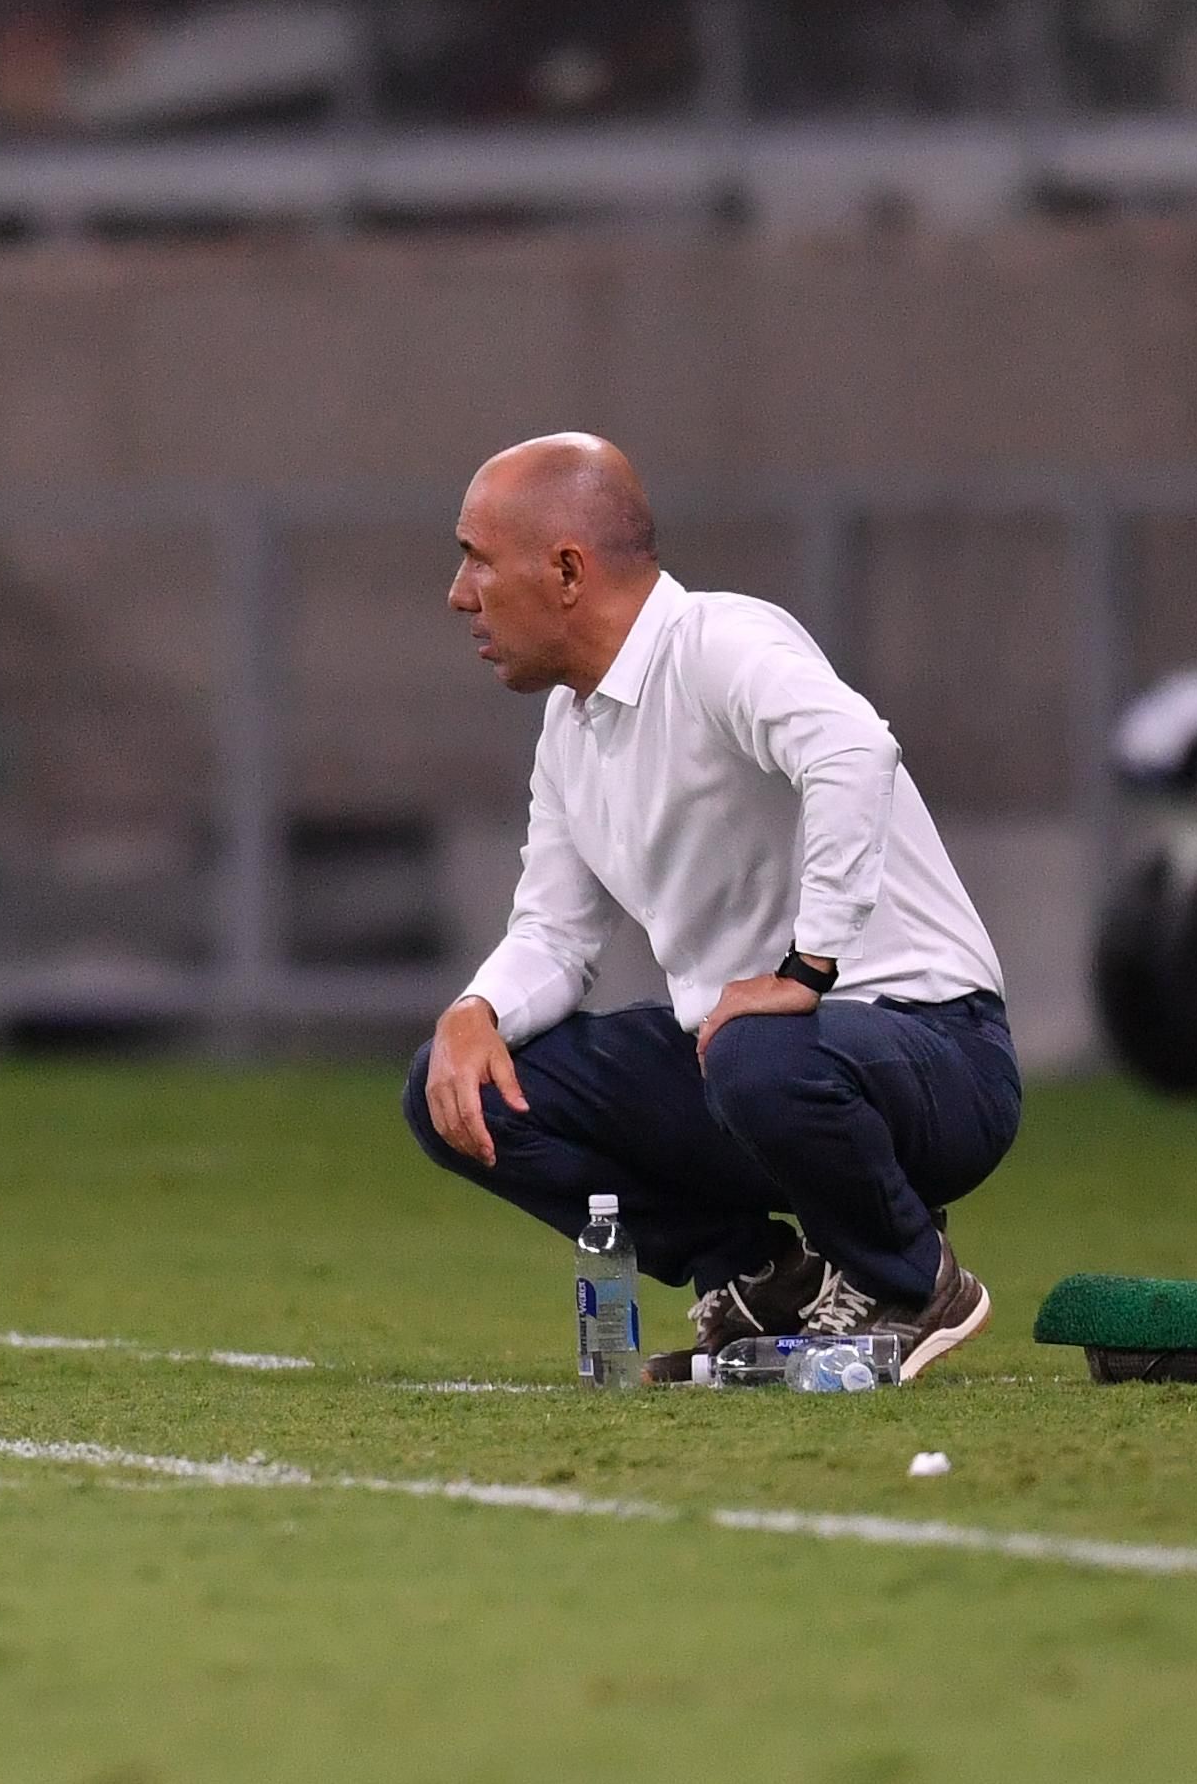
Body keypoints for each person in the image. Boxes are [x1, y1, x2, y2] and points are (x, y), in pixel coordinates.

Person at [405, 433, 1018, 1382]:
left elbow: (855, 751)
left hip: (938, 1053)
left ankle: (912, 1277)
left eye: (476, 557)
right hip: (748, 1071)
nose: (459, 594)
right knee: (457, 1089)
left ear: (567, 569)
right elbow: (554, 936)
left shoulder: (721, 643)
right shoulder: (570, 726)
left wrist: (808, 967)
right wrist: (473, 1011)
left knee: (755, 1049)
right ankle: (758, 1275)